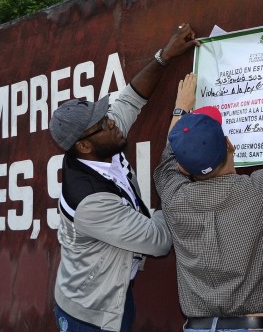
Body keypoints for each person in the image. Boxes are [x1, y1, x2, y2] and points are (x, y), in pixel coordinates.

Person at [48, 23, 199, 332]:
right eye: (102, 123)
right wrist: (169, 201)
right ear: (84, 145)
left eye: (104, 116)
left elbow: (131, 98)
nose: (112, 122)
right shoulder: (91, 202)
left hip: (114, 294)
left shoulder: (100, 145)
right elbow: (158, 242)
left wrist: (163, 57)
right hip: (90, 313)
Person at [153, 73, 263, 332]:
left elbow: (167, 164)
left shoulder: (174, 197)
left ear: (182, 168)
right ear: (229, 144)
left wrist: (180, 108)